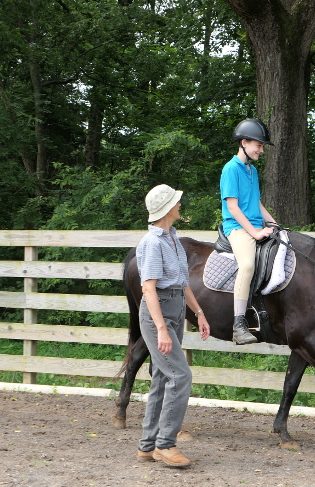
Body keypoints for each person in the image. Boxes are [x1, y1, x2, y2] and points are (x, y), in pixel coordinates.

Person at [136, 184, 211, 467]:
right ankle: (165, 445)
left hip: (176, 307)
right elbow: (149, 289)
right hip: (159, 314)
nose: (180, 205)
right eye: (176, 202)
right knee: (180, 376)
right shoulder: (153, 243)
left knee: (162, 376)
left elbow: (182, 283)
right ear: (167, 209)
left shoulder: (173, 238)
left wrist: (199, 313)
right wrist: (162, 329)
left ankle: (147, 445)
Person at [220, 118, 278, 345]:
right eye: (259, 145)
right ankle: (238, 324)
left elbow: (257, 203)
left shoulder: (252, 171)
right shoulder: (230, 169)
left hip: (256, 225)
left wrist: (274, 224)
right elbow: (233, 207)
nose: (261, 150)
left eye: (262, 146)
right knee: (247, 265)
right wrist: (254, 233)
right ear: (244, 142)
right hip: (237, 228)